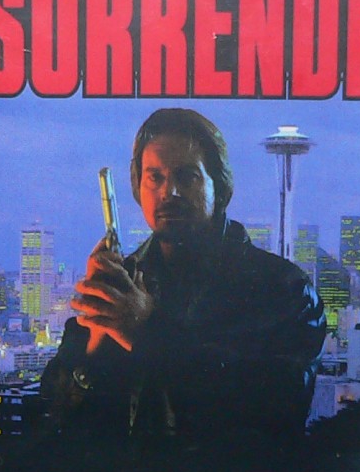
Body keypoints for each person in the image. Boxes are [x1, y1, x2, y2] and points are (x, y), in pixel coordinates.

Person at [41, 108, 326, 439]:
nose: (169, 192)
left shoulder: (283, 290)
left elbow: (275, 411)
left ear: (219, 187)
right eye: (155, 177)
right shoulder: (123, 285)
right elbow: (54, 416)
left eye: (187, 177)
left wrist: (146, 330)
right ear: (138, 187)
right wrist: (95, 344)